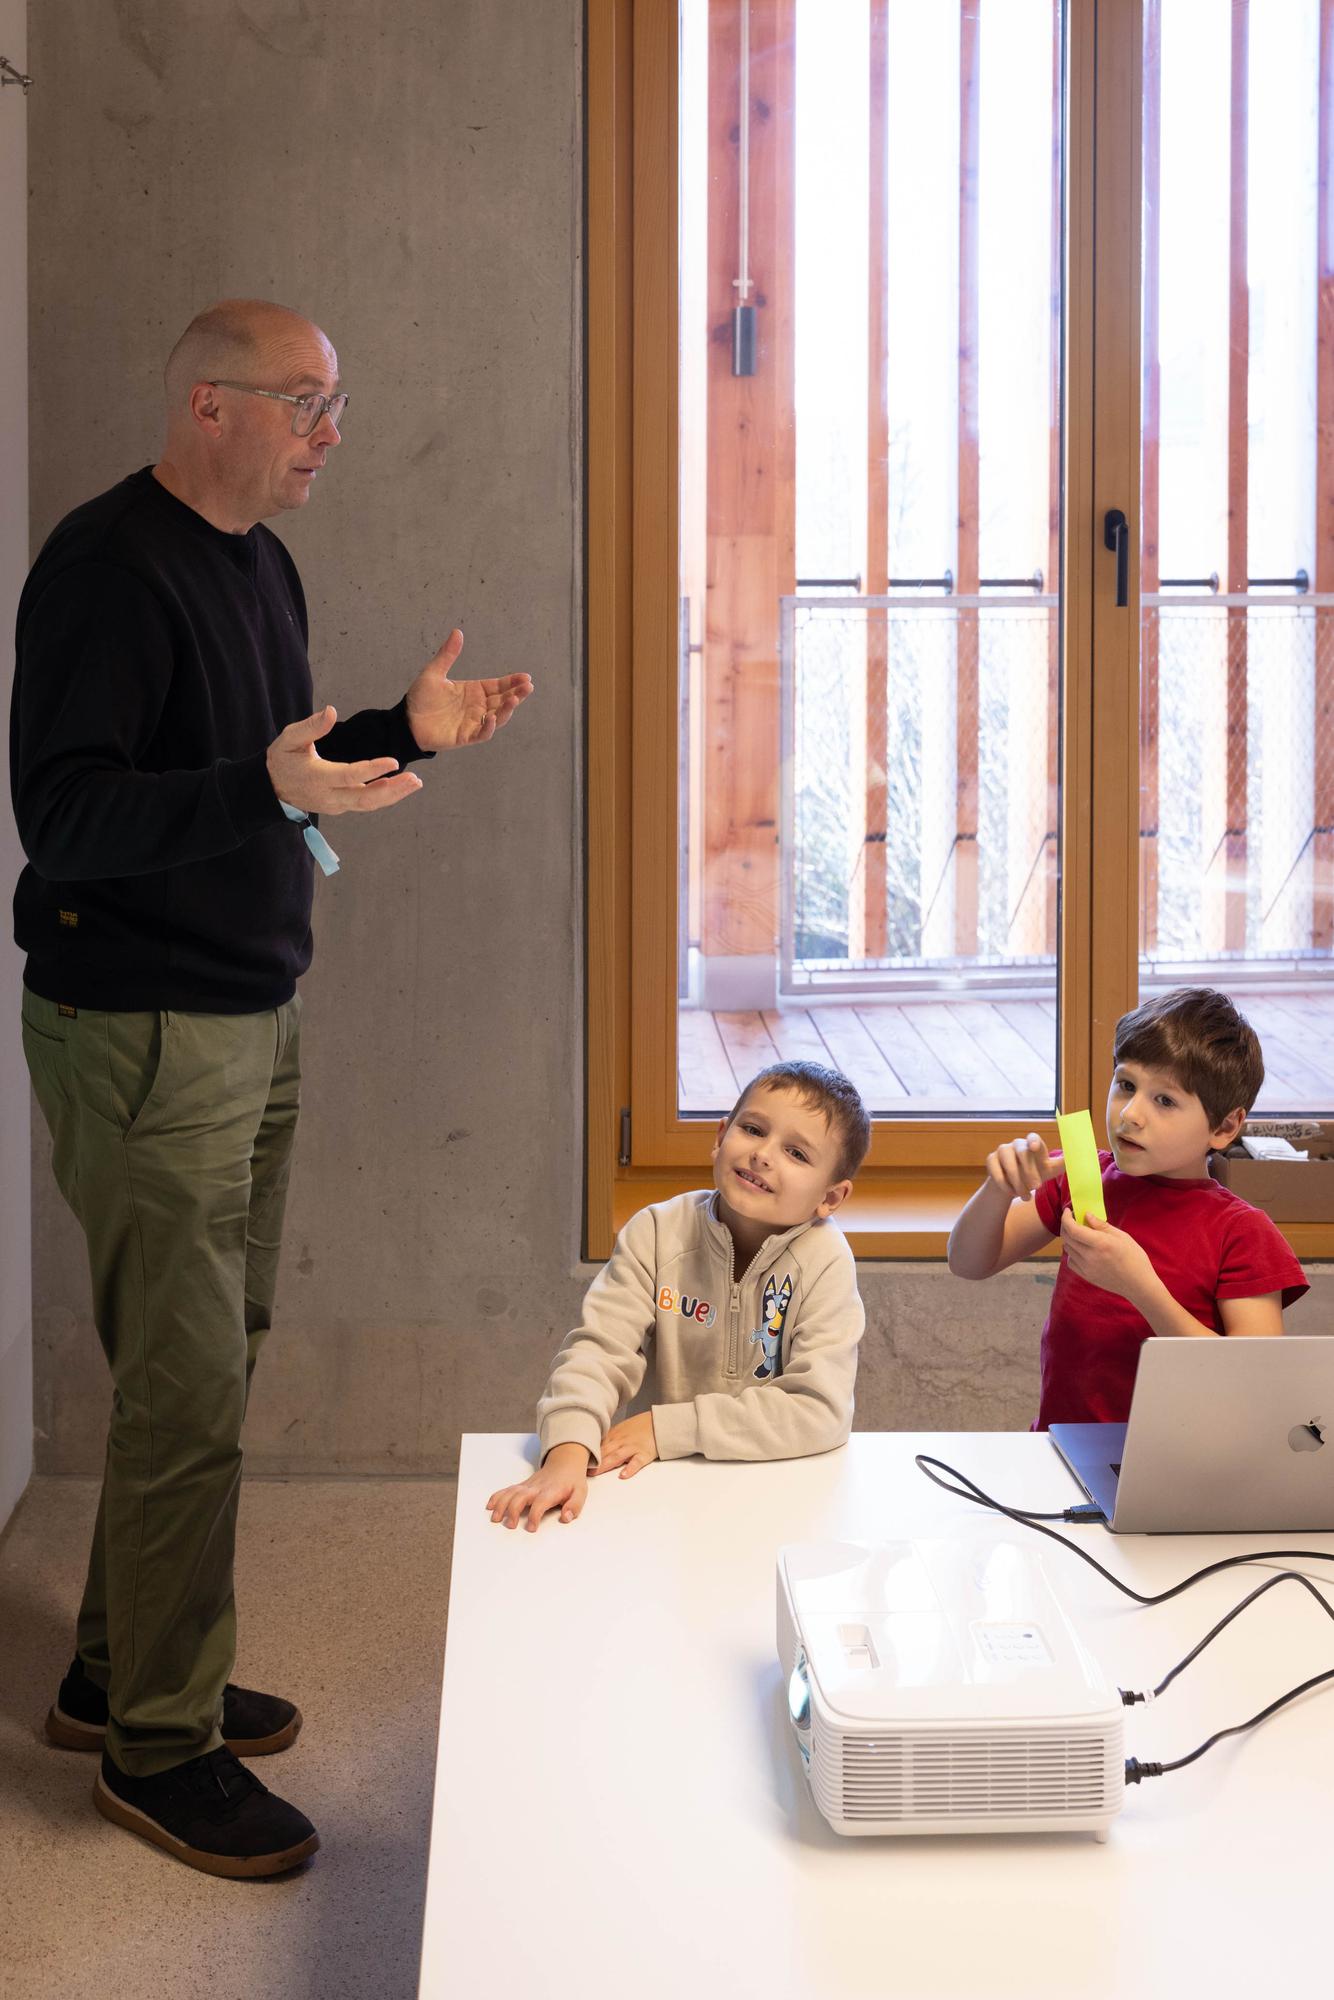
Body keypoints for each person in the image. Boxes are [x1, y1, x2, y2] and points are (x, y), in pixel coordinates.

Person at [11, 298, 533, 1878]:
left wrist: (393, 733)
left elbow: (262, 775)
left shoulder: (260, 563)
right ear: (208, 404)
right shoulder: (108, 569)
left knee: (209, 1363)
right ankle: (158, 1752)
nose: (330, 430)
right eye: (304, 401)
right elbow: (69, 819)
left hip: (249, 1011)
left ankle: (116, 1674)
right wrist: (263, 785)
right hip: (146, 1027)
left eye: (336, 401)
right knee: (183, 1391)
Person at [486, 1061, 871, 1533]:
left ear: (830, 1198)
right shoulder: (656, 1231)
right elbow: (599, 1351)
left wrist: (665, 1428)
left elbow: (819, 1411)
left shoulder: (826, 1262)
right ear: (721, 1135)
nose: (763, 1155)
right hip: (659, 1485)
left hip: (778, 1489)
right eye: (753, 1129)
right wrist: (565, 1453)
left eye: (796, 1153)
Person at [946, 987, 1308, 1428]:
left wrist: (1140, 1288)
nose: (1131, 1114)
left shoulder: (1241, 1232)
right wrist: (998, 1189)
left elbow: (1252, 1387)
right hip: (1062, 1450)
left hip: (1178, 1462)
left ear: (1225, 1126)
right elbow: (968, 1263)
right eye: (1126, 1085)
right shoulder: (1083, 1175)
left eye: (1165, 1100)